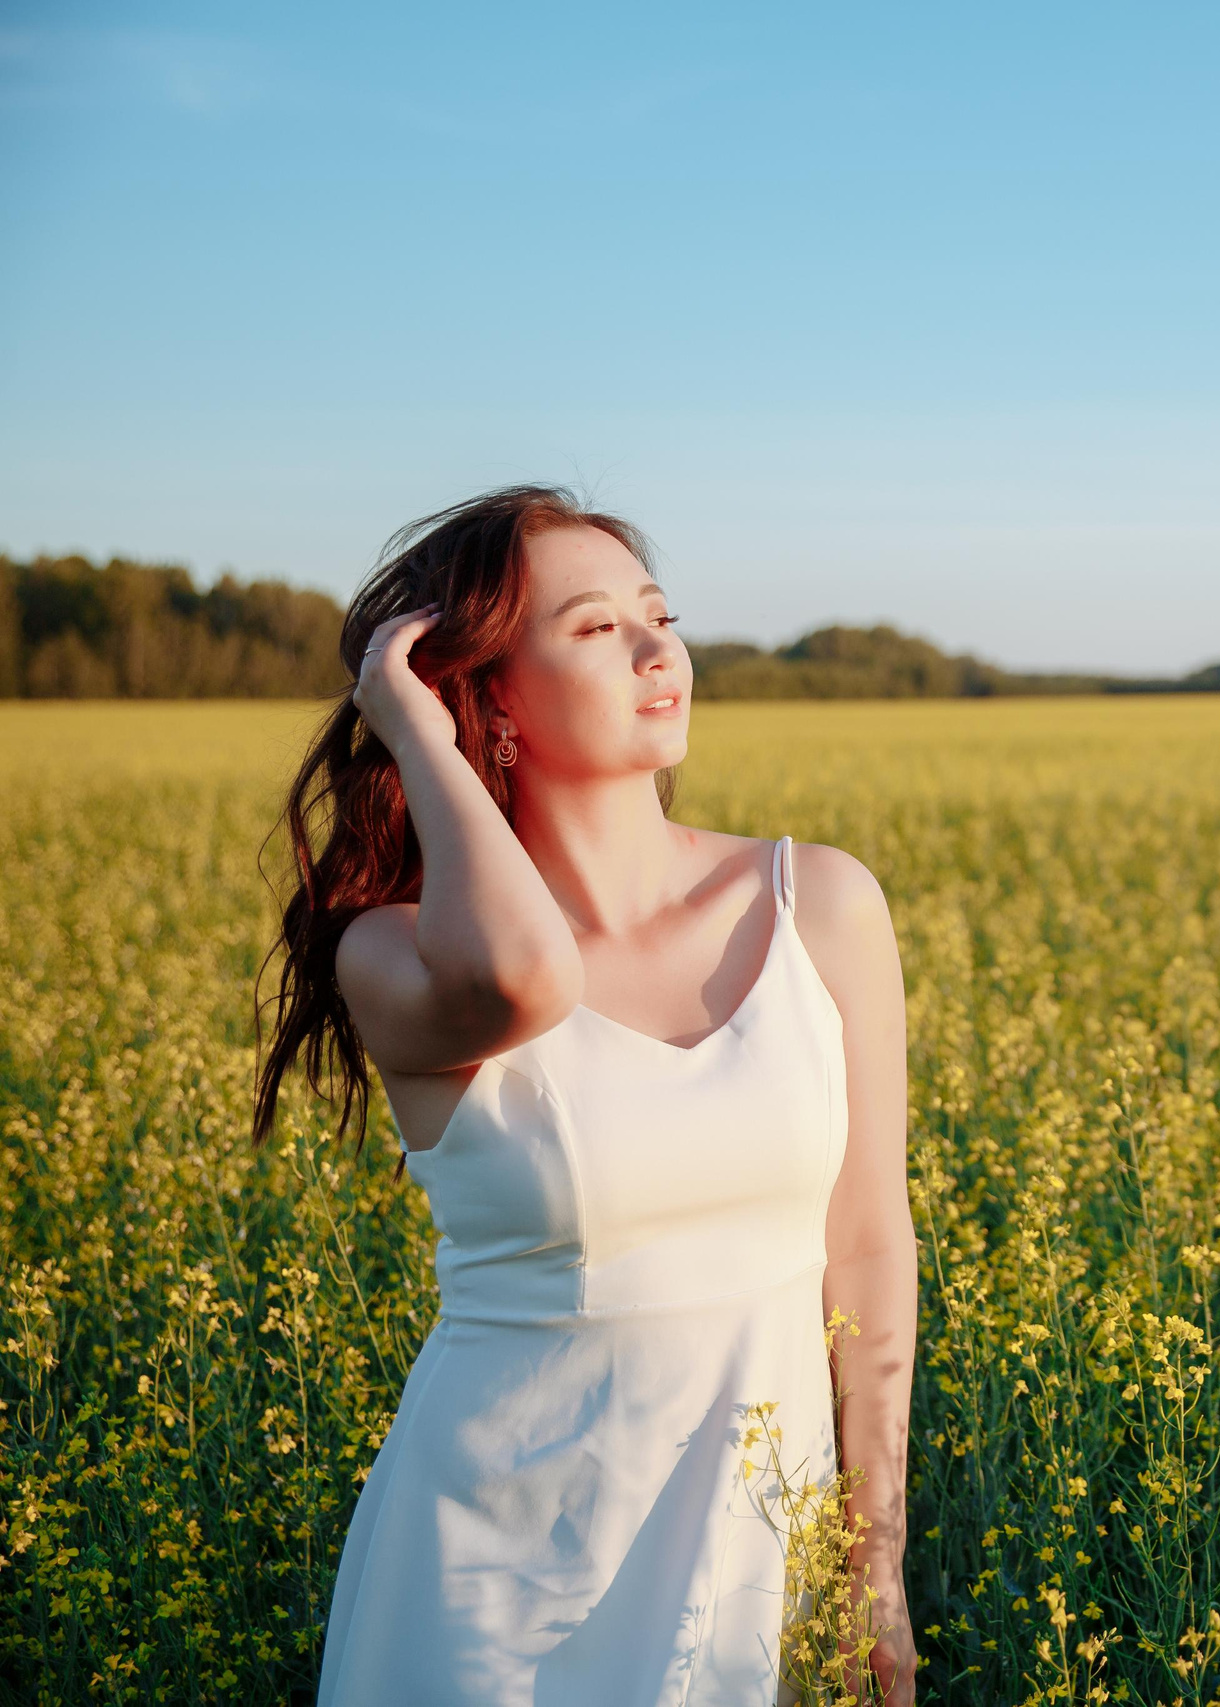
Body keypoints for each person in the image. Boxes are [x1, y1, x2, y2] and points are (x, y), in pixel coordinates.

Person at [252, 485, 918, 1704]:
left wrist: (873, 1563)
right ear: (489, 695)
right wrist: (416, 732)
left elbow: (869, 1248)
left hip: (758, 1567)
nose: (659, 652)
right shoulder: (395, 955)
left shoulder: (816, 904)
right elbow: (529, 976)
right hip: (493, 1596)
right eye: (599, 628)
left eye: (661, 617)